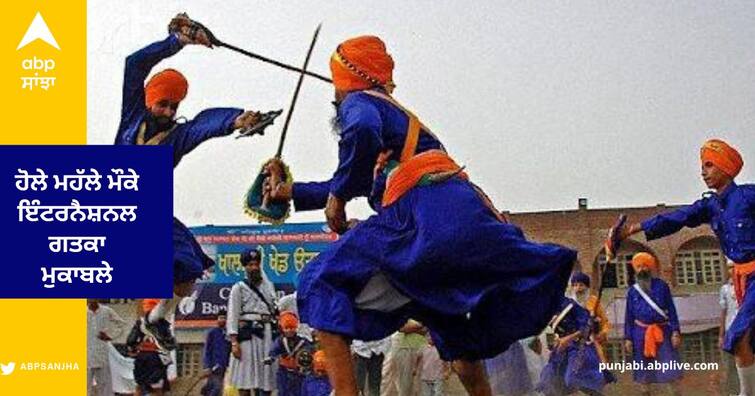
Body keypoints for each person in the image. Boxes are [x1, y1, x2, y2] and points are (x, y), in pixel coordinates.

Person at [264, 35, 576, 396]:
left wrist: (338, 198)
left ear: (346, 80)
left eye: (336, 87)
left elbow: (360, 134)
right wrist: (292, 191)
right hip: (456, 220)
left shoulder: (359, 102)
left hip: (420, 218)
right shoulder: (401, 133)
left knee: (319, 282)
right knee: (455, 340)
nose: (334, 97)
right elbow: (360, 178)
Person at [115, 13, 264, 351]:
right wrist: (178, 42)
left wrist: (237, 120)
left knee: (190, 268)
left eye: (173, 106)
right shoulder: (132, 117)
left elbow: (202, 125)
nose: (168, 111)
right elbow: (134, 64)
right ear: (150, 100)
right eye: (162, 104)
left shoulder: (177, 137)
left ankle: (154, 321)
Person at [616, 139, 753, 394]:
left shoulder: (748, 196)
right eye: (702, 166)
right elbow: (677, 218)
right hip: (741, 282)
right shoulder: (709, 206)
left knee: (739, 334)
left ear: (726, 168)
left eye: (709, 165)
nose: (703, 172)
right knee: (740, 341)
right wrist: (632, 230)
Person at [623, 253, 682, 395]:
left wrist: (675, 332)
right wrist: (628, 338)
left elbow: (671, 309)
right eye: (639, 266)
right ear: (635, 269)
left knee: (670, 368)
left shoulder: (662, 286)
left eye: (645, 265)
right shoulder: (632, 291)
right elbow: (629, 316)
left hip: (663, 332)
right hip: (640, 333)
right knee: (643, 372)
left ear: (650, 267)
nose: (642, 269)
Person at [538, 295, 613, 396]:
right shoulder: (545, 308)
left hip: (578, 346)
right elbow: (549, 331)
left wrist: (568, 339)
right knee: (548, 378)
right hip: (560, 350)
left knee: (573, 378)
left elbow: (587, 326)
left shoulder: (571, 305)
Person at [227, 248, 278, 396]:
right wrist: (234, 343)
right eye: (250, 264)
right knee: (245, 378)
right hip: (247, 335)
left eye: (256, 264)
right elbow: (232, 316)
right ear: (245, 267)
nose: (254, 267)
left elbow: (275, 308)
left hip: (267, 333)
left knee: (266, 377)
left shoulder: (269, 286)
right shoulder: (238, 288)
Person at [127, 299, 173, 396]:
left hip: (142, 356)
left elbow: (131, 340)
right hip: (157, 357)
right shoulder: (163, 324)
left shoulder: (140, 322)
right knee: (157, 387)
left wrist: (133, 348)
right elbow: (170, 344)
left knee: (139, 385)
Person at [266, 311, 312, 396]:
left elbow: (308, 350)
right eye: (286, 328)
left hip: (298, 373)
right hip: (284, 372)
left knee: (300, 392)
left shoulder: (302, 341)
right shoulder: (280, 341)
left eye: (292, 328)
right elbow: (274, 350)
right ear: (282, 328)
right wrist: (271, 358)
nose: (290, 330)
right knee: (283, 392)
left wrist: (305, 363)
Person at [87, 299, 127, 396]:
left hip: (102, 353)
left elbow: (121, 324)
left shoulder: (106, 310)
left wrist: (110, 336)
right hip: (85, 354)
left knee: (104, 385)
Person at [570, 272, 611, 362]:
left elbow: (605, 322)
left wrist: (603, 333)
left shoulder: (593, 302)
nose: (578, 288)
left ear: (587, 287)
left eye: (581, 285)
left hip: (592, 341)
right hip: (574, 343)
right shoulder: (568, 303)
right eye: (575, 285)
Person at [719, 262, 740, 395]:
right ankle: (731, 391)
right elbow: (723, 312)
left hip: (747, 330)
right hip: (730, 331)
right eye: (730, 268)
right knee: (729, 365)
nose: (732, 270)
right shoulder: (725, 289)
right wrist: (721, 336)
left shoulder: (749, 287)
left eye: (734, 267)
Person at [201, 314, 231, 396]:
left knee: (224, 390)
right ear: (217, 319)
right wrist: (207, 366)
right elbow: (207, 350)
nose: (223, 320)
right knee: (216, 388)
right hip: (215, 366)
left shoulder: (230, 333)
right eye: (221, 318)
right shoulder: (212, 333)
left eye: (225, 318)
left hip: (228, 367)